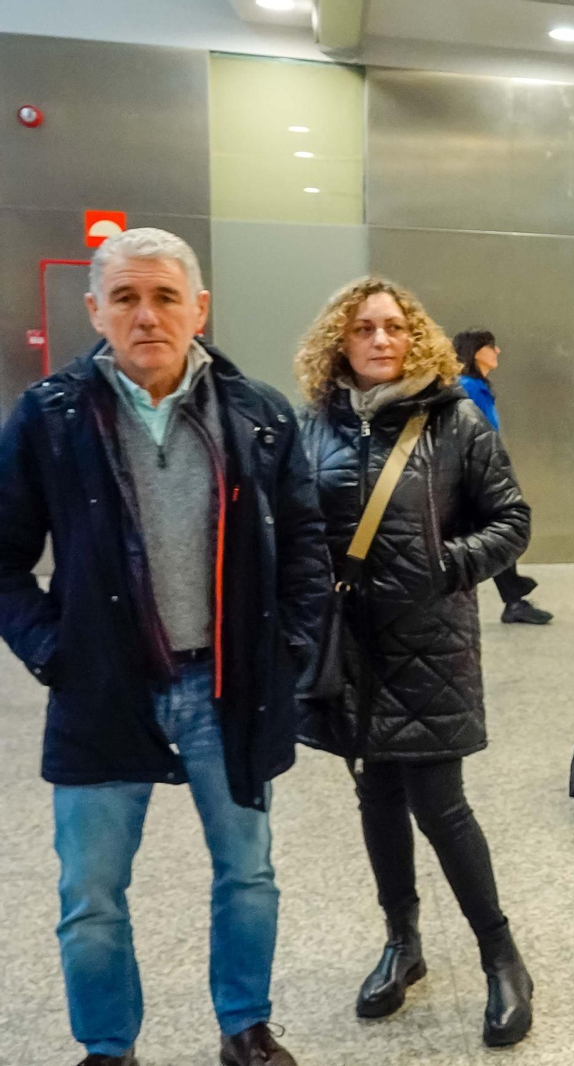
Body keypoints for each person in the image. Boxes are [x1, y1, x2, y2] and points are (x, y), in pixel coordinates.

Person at [0, 228, 329, 1066]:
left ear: (199, 308)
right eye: (125, 298)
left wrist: (288, 649)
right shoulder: (49, 416)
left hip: (231, 685)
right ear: (95, 311)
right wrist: (53, 651)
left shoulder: (258, 414)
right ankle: (109, 1047)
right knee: (91, 892)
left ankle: (244, 1027)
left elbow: (305, 545)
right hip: (104, 686)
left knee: (248, 872)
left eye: (165, 297)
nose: (146, 316)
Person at [295, 278, 535, 1047]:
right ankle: (403, 942)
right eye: (362, 327)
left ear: (415, 337)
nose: (379, 338)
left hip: (431, 643)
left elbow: (513, 520)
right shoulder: (317, 427)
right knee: (374, 796)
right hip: (352, 648)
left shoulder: (456, 419)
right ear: (341, 339)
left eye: (393, 326)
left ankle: (502, 957)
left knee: (440, 802)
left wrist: (446, 564)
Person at [452, 328, 553, 626]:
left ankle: (514, 595)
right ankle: (514, 596)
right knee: (493, 534)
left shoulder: (477, 387)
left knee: (493, 533)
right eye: (491, 347)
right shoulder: (466, 388)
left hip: (482, 475)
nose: (497, 352)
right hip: (473, 479)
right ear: (475, 352)